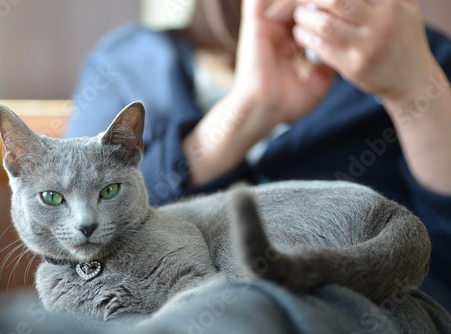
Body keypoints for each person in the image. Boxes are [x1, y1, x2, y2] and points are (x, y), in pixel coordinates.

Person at [66, 0, 451, 312]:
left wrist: (416, 87)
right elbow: (83, 258)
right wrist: (245, 114)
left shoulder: (428, 59)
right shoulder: (127, 63)